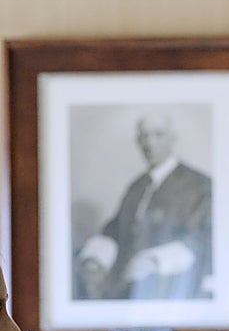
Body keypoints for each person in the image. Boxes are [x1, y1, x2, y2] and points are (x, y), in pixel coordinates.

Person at [74, 111, 213, 301]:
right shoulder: (138, 186)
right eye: (144, 136)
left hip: (172, 290)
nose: (150, 143)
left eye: (158, 135)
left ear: (173, 139)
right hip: (128, 288)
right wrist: (95, 257)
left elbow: (202, 240)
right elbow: (116, 228)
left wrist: (153, 261)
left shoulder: (199, 185)